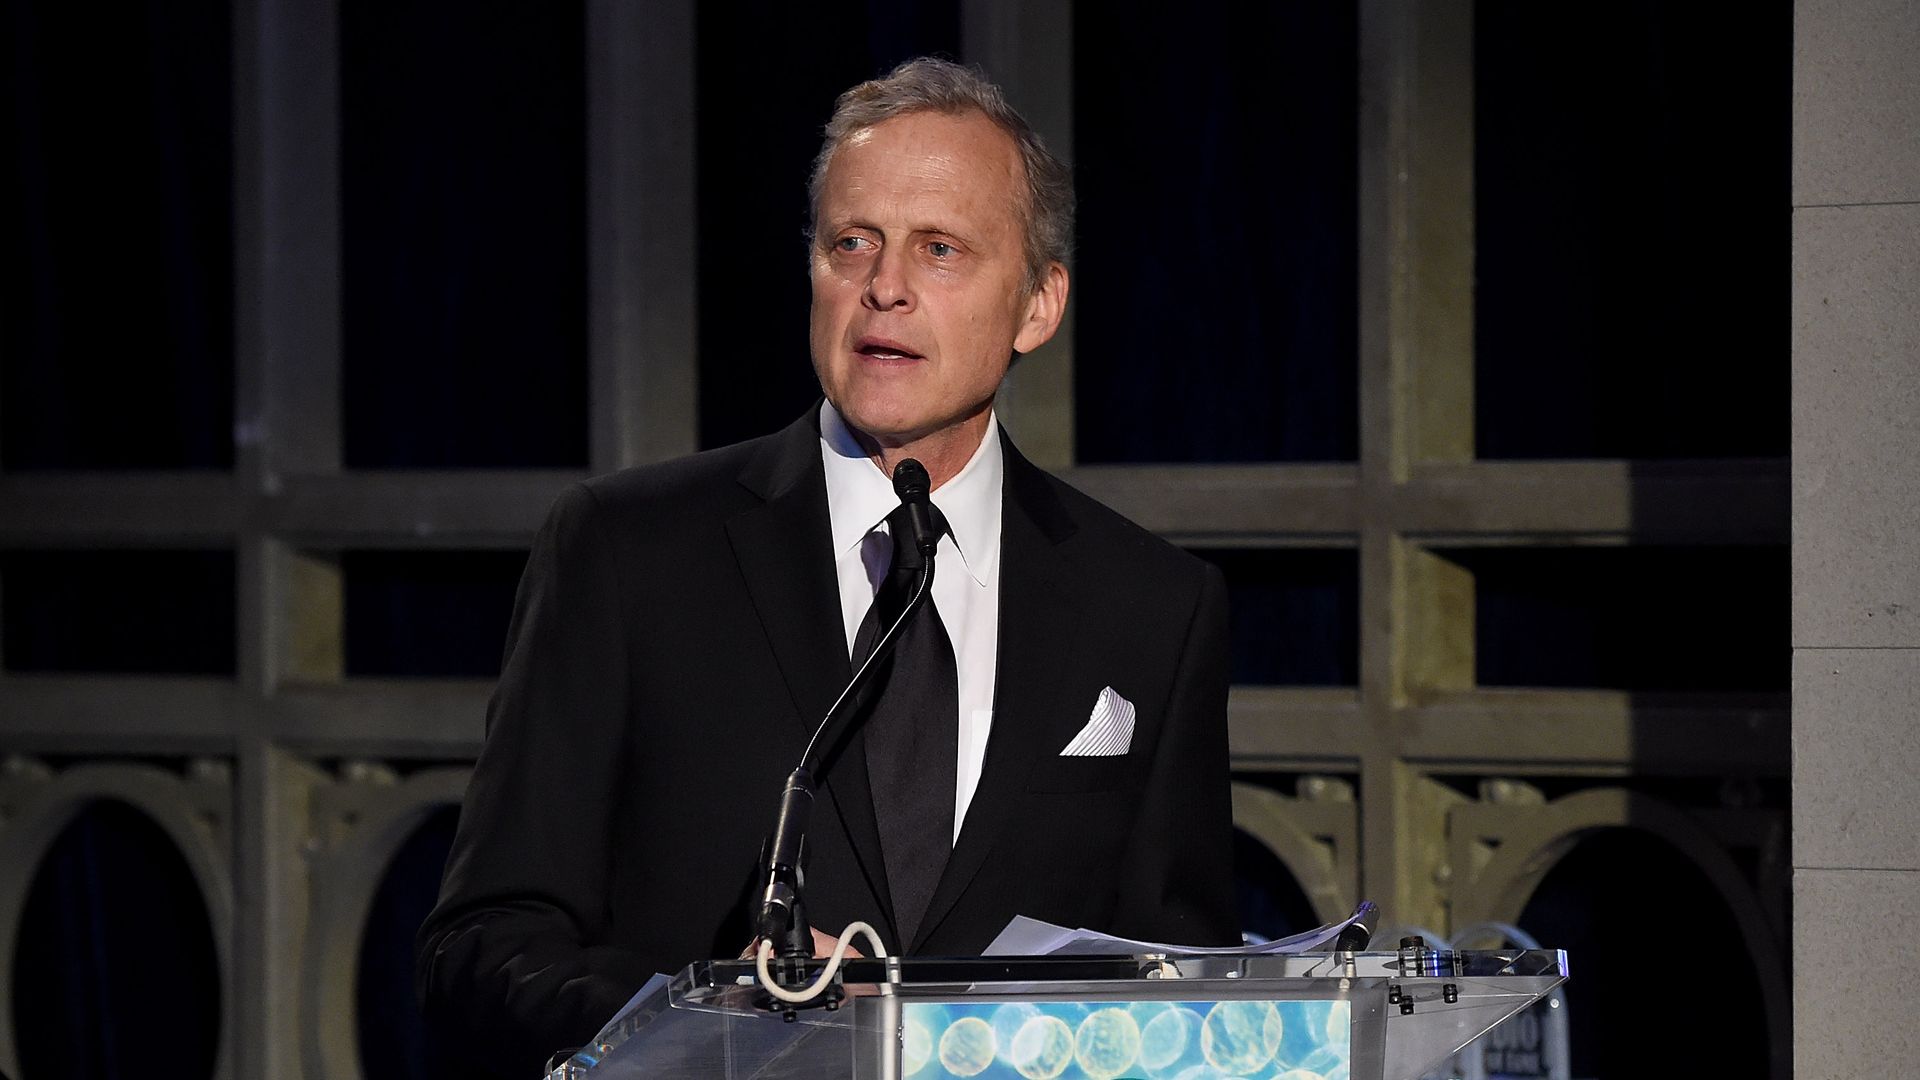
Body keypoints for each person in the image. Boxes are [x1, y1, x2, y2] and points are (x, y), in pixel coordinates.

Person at [416, 57, 1236, 1077]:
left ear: (1038, 305)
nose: (883, 287)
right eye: (852, 243)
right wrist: (705, 1021)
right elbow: (485, 943)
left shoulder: (1152, 607)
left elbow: (1191, 993)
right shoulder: (629, 553)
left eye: (940, 250)